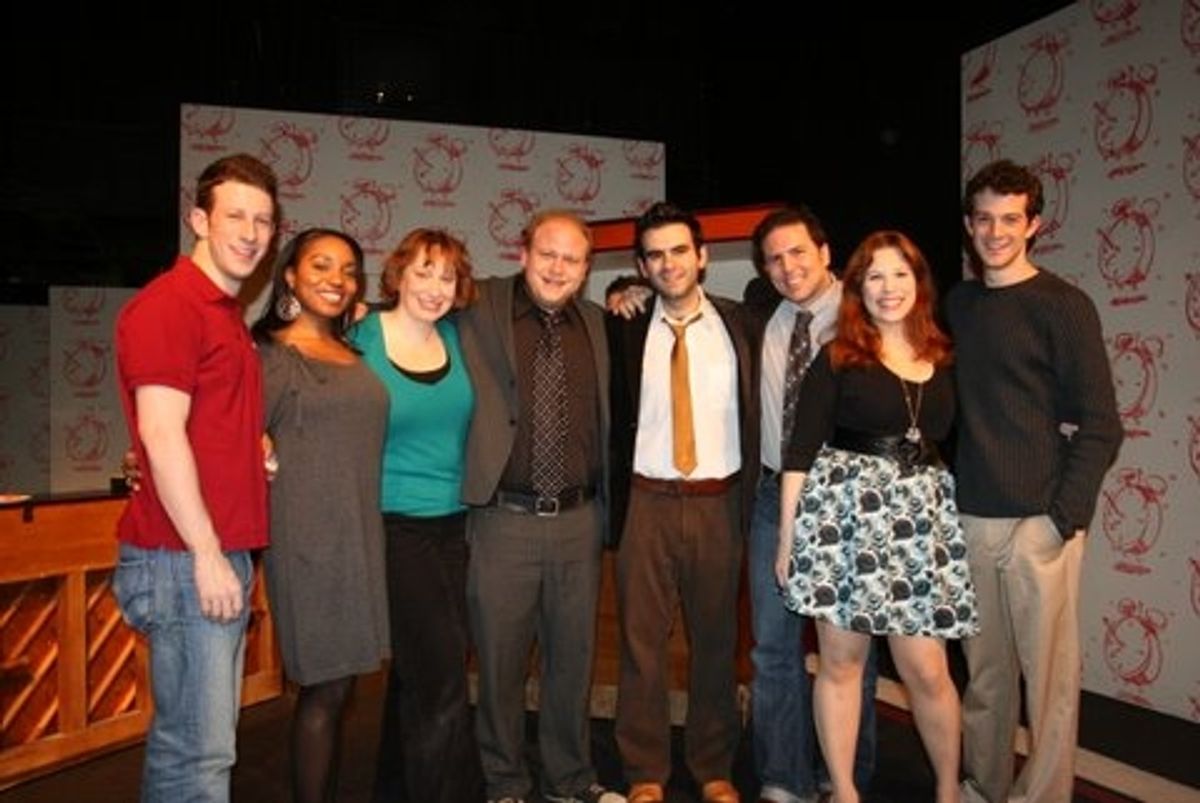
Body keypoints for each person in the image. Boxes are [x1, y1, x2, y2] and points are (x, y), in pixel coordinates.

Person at [777, 230, 978, 803]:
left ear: (919, 283)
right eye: (874, 277)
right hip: (844, 521)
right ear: (858, 288)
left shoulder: (944, 357)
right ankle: (843, 791)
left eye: (900, 275)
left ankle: (947, 789)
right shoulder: (838, 356)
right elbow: (800, 453)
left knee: (929, 671)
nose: (889, 288)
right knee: (842, 664)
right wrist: (788, 538)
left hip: (920, 525)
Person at [951, 159, 1123, 803]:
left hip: (1039, 524)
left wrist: (1057, 521)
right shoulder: (959, 303)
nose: (996, 231)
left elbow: (1102, 427)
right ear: (970, 226)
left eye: (1010, 219)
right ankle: (982, 787)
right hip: (972, 515)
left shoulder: (1064, 306)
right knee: (985, 677)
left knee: (1047, 684)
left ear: (1034, 224)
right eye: (985, 219)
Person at [112, 153, 277, 802]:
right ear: (199, 219)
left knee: (204, 747)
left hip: (210, 552)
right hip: (184, 558)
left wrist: (251, 445)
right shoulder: (172, 304)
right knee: (197, 755)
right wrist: (208, 554)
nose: (251, 230)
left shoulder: (222, 313)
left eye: (264, 219)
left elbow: (197, 418)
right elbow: (159, 431)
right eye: (235, 214)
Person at [457, 210, 622, 803]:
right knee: (499, 667)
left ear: (586, 268)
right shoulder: (477, 307)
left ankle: (569, 779)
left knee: (572, 664)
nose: (557, 268)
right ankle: (504, 781)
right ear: (523, 252)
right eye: (547, 254)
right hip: (503, 520)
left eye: (571, 259)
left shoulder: (602, 325)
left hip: (579, 520)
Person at [607, 202, 757, 803]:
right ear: (642, 266)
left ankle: (713, 766)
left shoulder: (740, 323)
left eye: (679, 251)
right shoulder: (623, 323)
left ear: (702, 256)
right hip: (646, 502)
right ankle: (645, 772)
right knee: (641, 644)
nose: (669, 264)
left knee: (716, 642)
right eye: (655, 255)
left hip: (719, 502)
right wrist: (620, 292)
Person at [249, 228, 391, 803]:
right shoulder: (273, 356)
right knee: (324, 689)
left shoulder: (352, 351)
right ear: (289, 275)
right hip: (308, 540)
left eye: (348, 269)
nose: (336, 278)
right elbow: (226, 437)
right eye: (321, 266)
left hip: (356, 536)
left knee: (341, 691)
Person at [745, 206, 877, 803]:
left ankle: (845, 776)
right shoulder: (766, 318)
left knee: (848, 656)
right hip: (776, 498)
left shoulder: (868, 315)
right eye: (774, 258)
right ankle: (783, 778)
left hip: (845, 502)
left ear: (826, 252)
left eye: (798, 252)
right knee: (773, 647)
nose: (787, 267)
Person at [350, 228, 484, 803]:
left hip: (455, 527)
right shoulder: (361, 335)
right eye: (424, 272)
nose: (434, 287)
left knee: (419, 672)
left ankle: (393, 789)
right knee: (443, 674)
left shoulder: (460, 337)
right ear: (399, 274)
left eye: (447, 277)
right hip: (392, 526)